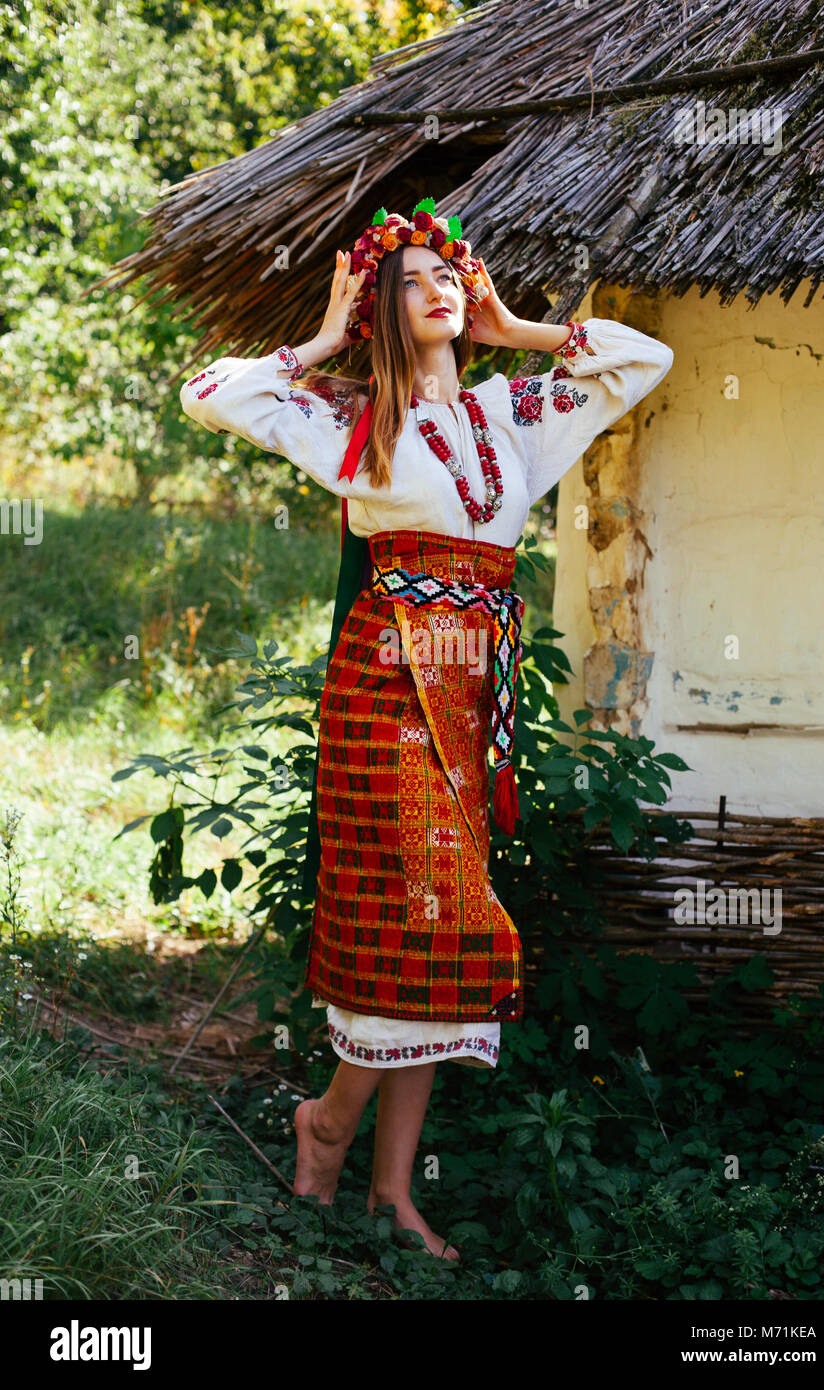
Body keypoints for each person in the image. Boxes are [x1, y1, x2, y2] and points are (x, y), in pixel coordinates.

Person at [179, 200, 674, 1261]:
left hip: (472, 694)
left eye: (450, 271)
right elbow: (210, 392)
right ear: (377, 307)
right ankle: (327, 1124)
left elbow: (644, 359)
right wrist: (322, 334)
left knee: (439, 932)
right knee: (416, 910)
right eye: (410, 279)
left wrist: (522, 331)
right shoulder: (353, 419)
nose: (439, 286)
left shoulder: (513, 412)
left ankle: (388, 1192)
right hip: (388, 683)